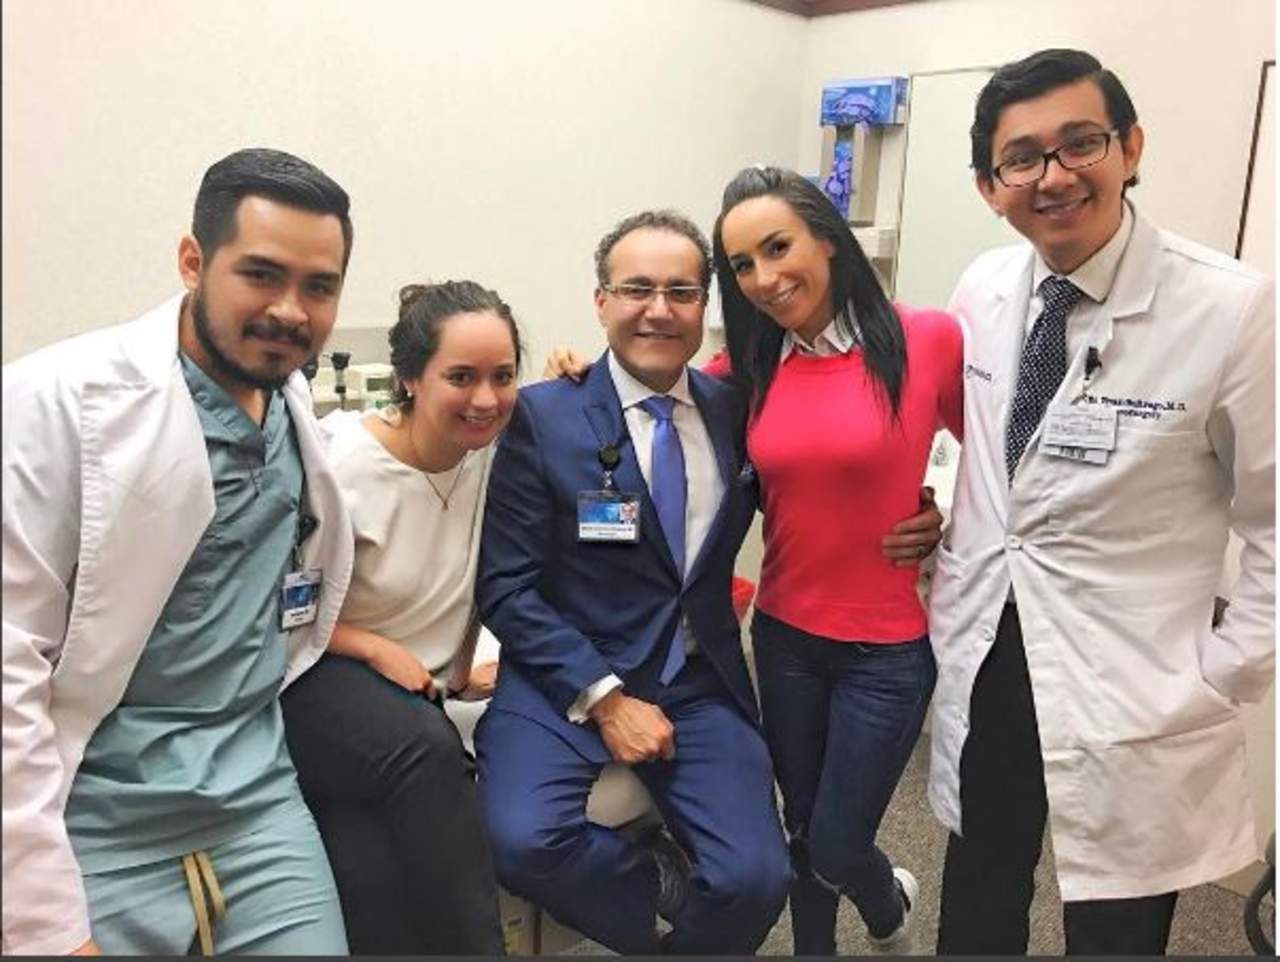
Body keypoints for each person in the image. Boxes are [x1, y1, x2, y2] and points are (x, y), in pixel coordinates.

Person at [929, 48, 1275, 956]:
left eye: (1080, 143)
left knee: (1118, 924)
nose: (1054, 175)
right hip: (994, 644)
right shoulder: (981, 288)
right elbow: (962, 442)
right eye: (1022, 158)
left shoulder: (1232, 309)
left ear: (1130, 148)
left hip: (1139, 673)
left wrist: (1228, 668)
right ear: (989, 187)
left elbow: (1275, 518)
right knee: (979, 895)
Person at [3, 148, 356, 955]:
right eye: (260, 274)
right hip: (92, 824)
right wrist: (42, 923)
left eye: (319, 286)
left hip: (256, 808)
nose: (290, 311)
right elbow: (8, 660)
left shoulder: (292, 403)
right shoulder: (52, 404)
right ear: (193, 261)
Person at [474, 210, 793, 955]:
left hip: (697, 676)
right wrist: (606, 698)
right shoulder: (543, 415)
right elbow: (506, 587)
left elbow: (814, 484)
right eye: (636, 289)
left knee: (756, 879)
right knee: (522, 840)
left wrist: (916, 515)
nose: (659, 309)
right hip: (564, 676)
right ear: (601, 302)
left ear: (705, 306)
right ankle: (655, 880)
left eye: (681, 292)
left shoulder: (735, 410)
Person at [709, 165, 964, 955]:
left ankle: (887, 902)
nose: (763, 278)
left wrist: (945, 518)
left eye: (777, 247)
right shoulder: (748, 366)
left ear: (826, 238)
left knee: (837, 841)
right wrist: (573, 376)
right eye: (742, 265)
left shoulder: (926, 338)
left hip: (885, 651)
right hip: (785, 636)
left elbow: (997, 458)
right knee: (800, 828)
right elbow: (649, 400)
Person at [280, 280, 518, 955]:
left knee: (368, 869)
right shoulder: (338, 466)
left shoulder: (494, 452)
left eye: (503, 377)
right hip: (318, 675)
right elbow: (276, 610)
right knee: (428, 753)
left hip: (417, 698)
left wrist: (462, 667)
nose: (485, 399)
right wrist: (372, 648)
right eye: (461, 377)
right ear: (411, 378)